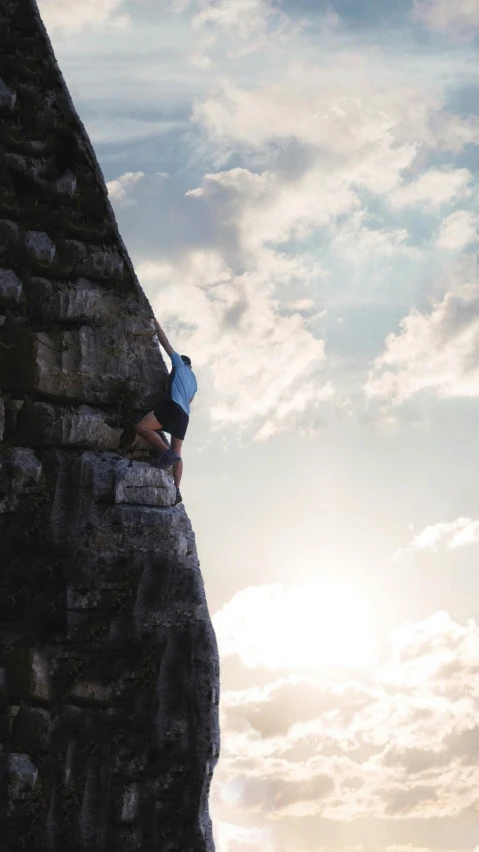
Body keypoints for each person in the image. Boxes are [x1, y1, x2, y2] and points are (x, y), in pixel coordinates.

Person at [136, 318, 197, 505]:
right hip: (185, 417)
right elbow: (190, 400)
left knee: (142, 427)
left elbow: (166, 343)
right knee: (178, 454)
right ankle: (177, 490)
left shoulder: (178, 364)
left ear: (183, 362)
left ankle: (166, 452)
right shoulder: (194, 381)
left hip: (173, 408)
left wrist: (155, 324)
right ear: (191, 366)